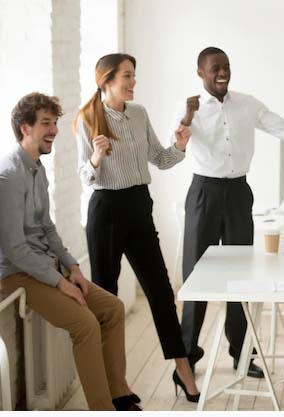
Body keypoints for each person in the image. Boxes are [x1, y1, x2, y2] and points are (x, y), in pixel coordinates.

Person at [173, 46, 284, 378]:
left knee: (241, 277)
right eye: (215, 67)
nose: (222, 72)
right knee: (196, 278)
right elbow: (175, 145)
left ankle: (241, 355)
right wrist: (186, 119)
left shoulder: (247, 104)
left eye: (226, 66)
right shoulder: (189, 109)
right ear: (200, 73)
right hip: (203, 193)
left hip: (239, 194)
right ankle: (186, 360)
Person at [0, 93, 140, 411]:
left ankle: (118, 394)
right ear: (25, 128)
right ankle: (102, 408)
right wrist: (60, 283)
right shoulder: (8, 176)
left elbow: (46, 227)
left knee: (113, 308)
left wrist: (72, 266)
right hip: (17, 274)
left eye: (55, 123)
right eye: (45, 123)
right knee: (85, 324)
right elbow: (15, 249)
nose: (54, 130)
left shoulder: (37, 168)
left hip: (45, 265)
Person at [74, 54, 200, 402]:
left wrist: (180, 145)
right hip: (106, 211)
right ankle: (115, 385)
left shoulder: (139, 113)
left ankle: (182, 368)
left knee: (160, 291)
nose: (133, 82)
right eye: (127, 76)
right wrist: (96, 158)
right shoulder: (87, 119)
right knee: (107, 297)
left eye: (134, 75)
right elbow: (85, 176)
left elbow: (160, 159)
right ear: (107, 80)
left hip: (139, 206)